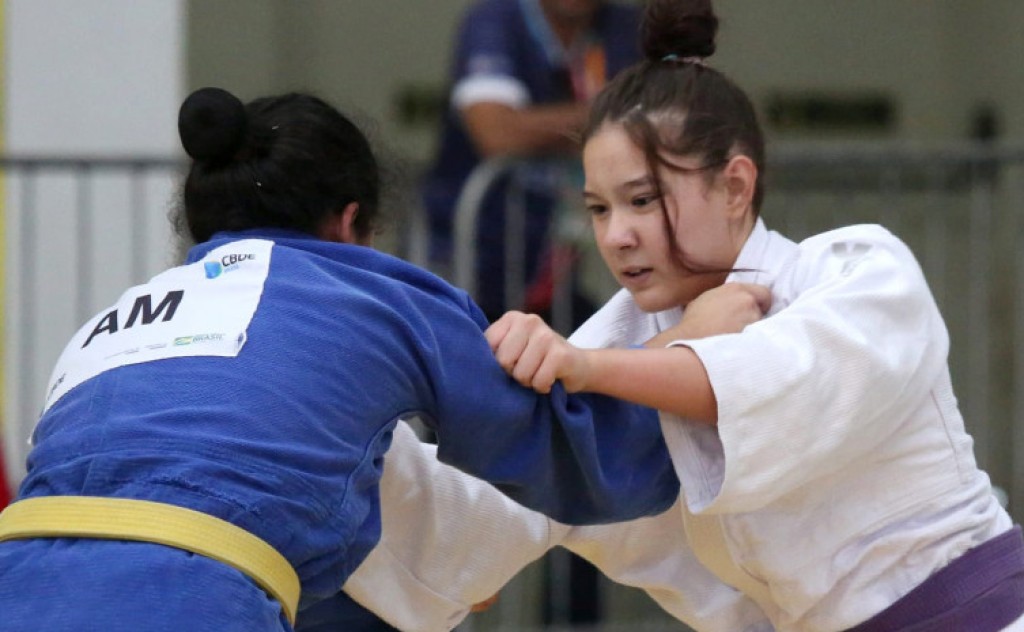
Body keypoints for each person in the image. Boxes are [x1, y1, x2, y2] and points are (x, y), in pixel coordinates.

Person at [0, 87, 683, 632]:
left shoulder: (103, 326)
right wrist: (692, 357)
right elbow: (584, 462)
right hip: (190, 596)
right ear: (350, 222)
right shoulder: (374, 291)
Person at [482, 0, 1024, 629]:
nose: (617, 235)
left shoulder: (860, 271)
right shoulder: (621, 336)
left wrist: (594, 364)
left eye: (642, 199)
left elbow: (756, 380)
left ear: (736, 186)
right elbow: (513, 472)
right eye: (599, 209)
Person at [421, 0, 641, 324]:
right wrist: (611, 116)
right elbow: (495, 131)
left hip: (555, 267)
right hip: (469, 260)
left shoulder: (624, 25)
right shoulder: (495, 21)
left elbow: (661, 122)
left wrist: (544, 126)